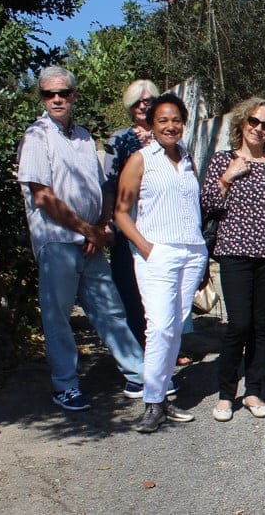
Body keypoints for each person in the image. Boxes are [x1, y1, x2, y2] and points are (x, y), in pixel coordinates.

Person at [16, 66, 145, 412]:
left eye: (62, 92)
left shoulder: (86, 138)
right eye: (48, 93)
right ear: (42, 98)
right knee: (58, 317)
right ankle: (66, 386)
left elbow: (101, 187)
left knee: (110, 310)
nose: (56, 99)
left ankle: (140, 374)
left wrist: (101, 227)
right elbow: (42, 195)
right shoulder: (36, 137)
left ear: (73, 95)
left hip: (90, 240)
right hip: (57, 240)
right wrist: (86, 229)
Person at [114, 93, 207, 432]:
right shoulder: (141, 159)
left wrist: (200, 251)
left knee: (173, 331)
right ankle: (153, 403)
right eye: (163, 120)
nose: (171, 126)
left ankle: (164, 396)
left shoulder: (186, 158)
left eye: (176, 120)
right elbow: (121, 213)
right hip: (158, 253)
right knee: (159, 328)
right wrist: (146, 247)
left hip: (191, 252)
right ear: (151, 125)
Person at [201, 98, 265, 421]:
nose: (259, 129)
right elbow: (207, 205)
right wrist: (228, 176)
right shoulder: (222, 161)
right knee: (238, 325)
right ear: (242, 123)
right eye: (254, 122)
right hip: (233, 254)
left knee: (261, 327)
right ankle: (227, 393)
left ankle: (253, 390)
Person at [104, 79, 160, 348]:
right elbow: (109, 183)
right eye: (137, 101)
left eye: (148, 100)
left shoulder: (168, 135)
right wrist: (107, 221)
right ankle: (138, 342)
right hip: (128, 217)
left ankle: (165, 343)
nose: (143, 105)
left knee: (161, 283)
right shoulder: (120, 138)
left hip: (160, 217)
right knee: (130, 282)